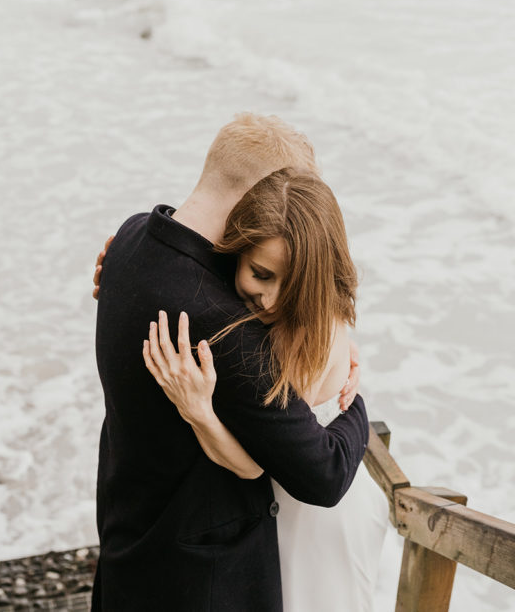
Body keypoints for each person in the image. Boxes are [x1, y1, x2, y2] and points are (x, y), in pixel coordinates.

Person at [92, 114, 371, 611]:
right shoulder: (225, 331)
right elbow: (324, 476)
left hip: (126, 533)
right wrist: (358, 413)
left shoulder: (132, 238)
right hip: (203, 581)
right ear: (263, 203)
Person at [141, 168, 389, 612]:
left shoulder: (307, 335)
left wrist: (198, 410)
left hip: (316, 525)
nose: (270, 301)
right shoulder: (288, 316)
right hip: (285, 514)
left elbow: (255, 468)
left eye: (289, 287)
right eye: (260, 273)